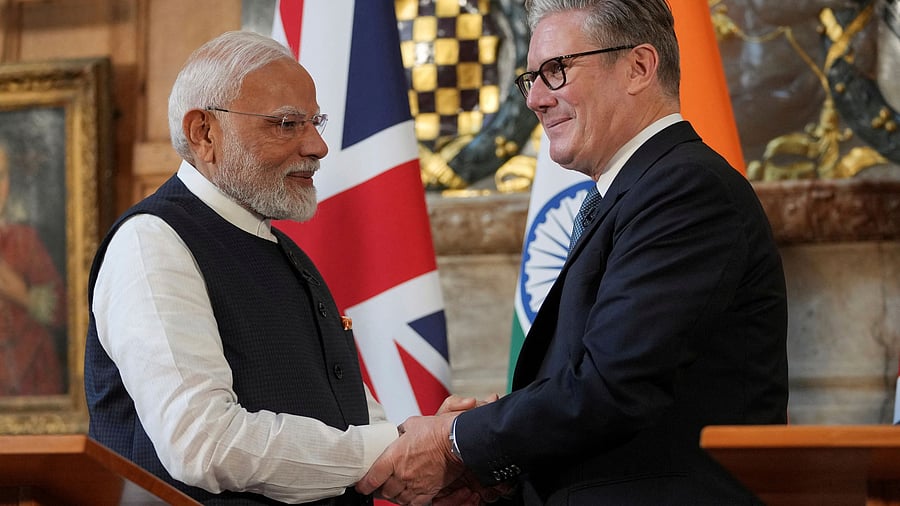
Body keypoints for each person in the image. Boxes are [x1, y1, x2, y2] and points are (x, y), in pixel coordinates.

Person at [356, 0, 789, 504]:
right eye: (531, 77)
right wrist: (501, 476)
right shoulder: (638, 189)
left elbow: (613, 387)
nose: (536, 99)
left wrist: (458, 442)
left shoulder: (685, 189)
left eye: (556, 71)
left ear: (639, 67)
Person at [83, 31, 400, 505]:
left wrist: (423, 446)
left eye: (316, 122)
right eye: (287, 124)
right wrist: (396, 449)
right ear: (203, 133)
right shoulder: (153, 243)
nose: (317, 146)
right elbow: (203, 444)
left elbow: (346, 412)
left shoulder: (284, 252)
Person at [0, 143, 65, 396]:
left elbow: (64, 310)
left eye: (1, 175)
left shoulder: (23, 239)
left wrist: (23, 295)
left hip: (31, 372)